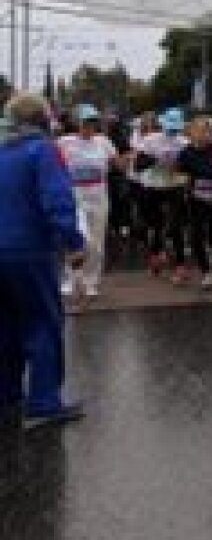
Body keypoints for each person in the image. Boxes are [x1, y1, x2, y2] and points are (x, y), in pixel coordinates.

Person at [0, 92, 86, 429]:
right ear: (42, 119)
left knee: (5, 325)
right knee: (42, 323)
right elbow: (56, 198)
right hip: (30, 250)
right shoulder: (43, 151)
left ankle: (7, 395)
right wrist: (72, 241)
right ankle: (44, 402)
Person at [57, 103, 121, 298]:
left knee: (96, 242)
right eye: (86, 122)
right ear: (78, 123)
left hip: (98, 195)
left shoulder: (104, 142)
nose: (90, 126)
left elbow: (118, 163)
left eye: (93, 122)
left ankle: (91, 281)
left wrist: (130, 159)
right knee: (75, 238)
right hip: (74, 196)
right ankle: (70, 279)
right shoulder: (64, 142)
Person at [135, 108, 189, 280]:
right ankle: (156, 253)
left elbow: (188, 165)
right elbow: (139, 164)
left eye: (175, 128)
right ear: (163, 124)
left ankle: (180, 265)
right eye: (170, 127)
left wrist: (180, 167)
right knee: (157, 224)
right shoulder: (151, 140)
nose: (172, 131)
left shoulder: (184, 142)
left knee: (175, 225)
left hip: (175, 186)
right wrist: (157, 160)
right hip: (154, 186)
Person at [177, 117, 212, 290]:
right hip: (195, 199)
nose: (202, 134)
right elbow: (181, 175)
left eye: (205, 131)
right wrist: (185, 182)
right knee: (196, 236)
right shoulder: (185, 153)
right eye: (198, 131)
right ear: (190, 133)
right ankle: (206, 273)